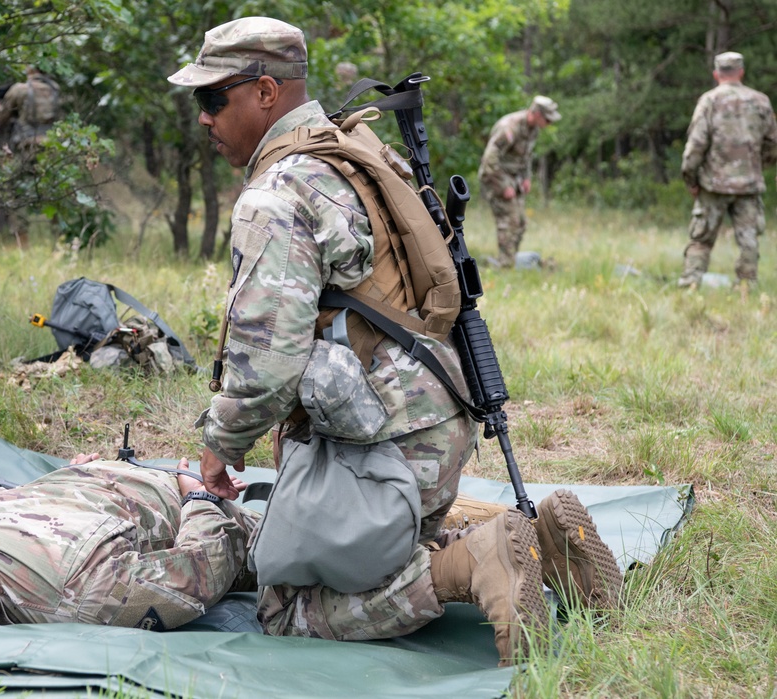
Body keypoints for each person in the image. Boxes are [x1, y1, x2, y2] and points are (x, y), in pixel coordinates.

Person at [168, 17, 619, 666]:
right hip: (442, 413)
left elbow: (265, 362)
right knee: (371, 541)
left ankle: (475, 563)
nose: (204, 118)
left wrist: (219, 450)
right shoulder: (359, 149)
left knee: (285, 607)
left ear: (266, 92)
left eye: (213, 99)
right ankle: (543, 544)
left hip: (389, 445)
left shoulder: (277, 193)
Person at [0, 455, 258, 630]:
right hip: (99, 484)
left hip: (179, 498)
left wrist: (199, 498)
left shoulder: (77, 595)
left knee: (295, 565)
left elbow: (208, 565)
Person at [678, 51, 777, 290]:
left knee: (701, 239)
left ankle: (690, 285)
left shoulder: (709, 101)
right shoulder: (761, 101)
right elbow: (773, 144)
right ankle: (746, 287)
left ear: (716, 74)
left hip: (713, 184)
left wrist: (691, 179)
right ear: (741, 72)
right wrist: (756, 166)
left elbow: (695, 147)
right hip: (749, 184)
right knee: (748, 240)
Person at [0, 66, 61, 247]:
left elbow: (2, 116)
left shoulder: (20, 90)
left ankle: (23, 243)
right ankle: (60, 240)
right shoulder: (54, 88)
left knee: (16, 194)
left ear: (30, 69)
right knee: (55, 192)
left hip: (28, 147)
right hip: (52, 147)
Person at [477, 95, 561, 268]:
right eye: (547, 119)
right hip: (496, 177)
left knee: (521, 222)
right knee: (509, 221)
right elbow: (489, 160)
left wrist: (527, 177)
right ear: (536, 114)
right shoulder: (510, 127)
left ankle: (509, 260)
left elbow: (526, 157)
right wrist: (503, 185)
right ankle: (505, 266)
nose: (549, 123)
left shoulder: (533, 129)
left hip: (514, 179)